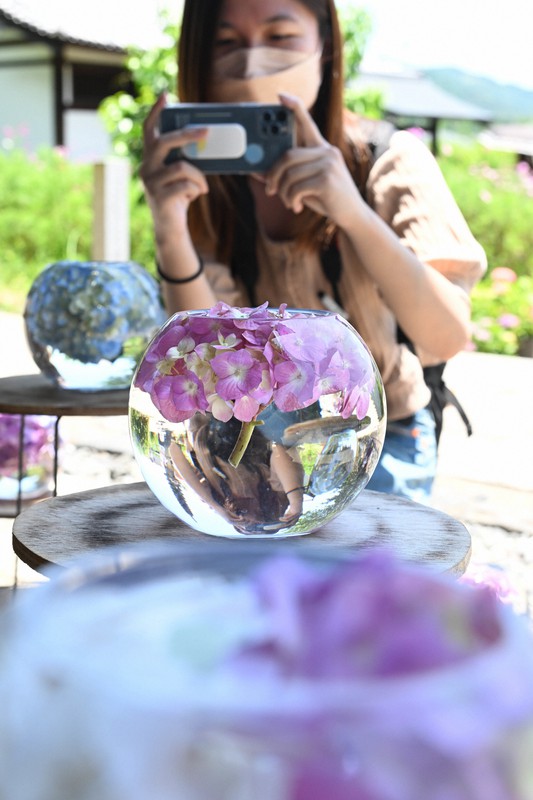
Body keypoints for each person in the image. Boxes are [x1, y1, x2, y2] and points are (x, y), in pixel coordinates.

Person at [139, 0, 487, 503]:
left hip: (376, 441)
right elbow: (202, 345)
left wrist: (352, 211)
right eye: (226, 42)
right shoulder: (205, 190)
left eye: (280, 37)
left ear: (325, 49)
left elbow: (447, 333)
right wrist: (169, 224)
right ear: (200, 60)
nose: (251, 62)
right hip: (252, 444)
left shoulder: (389, 162)